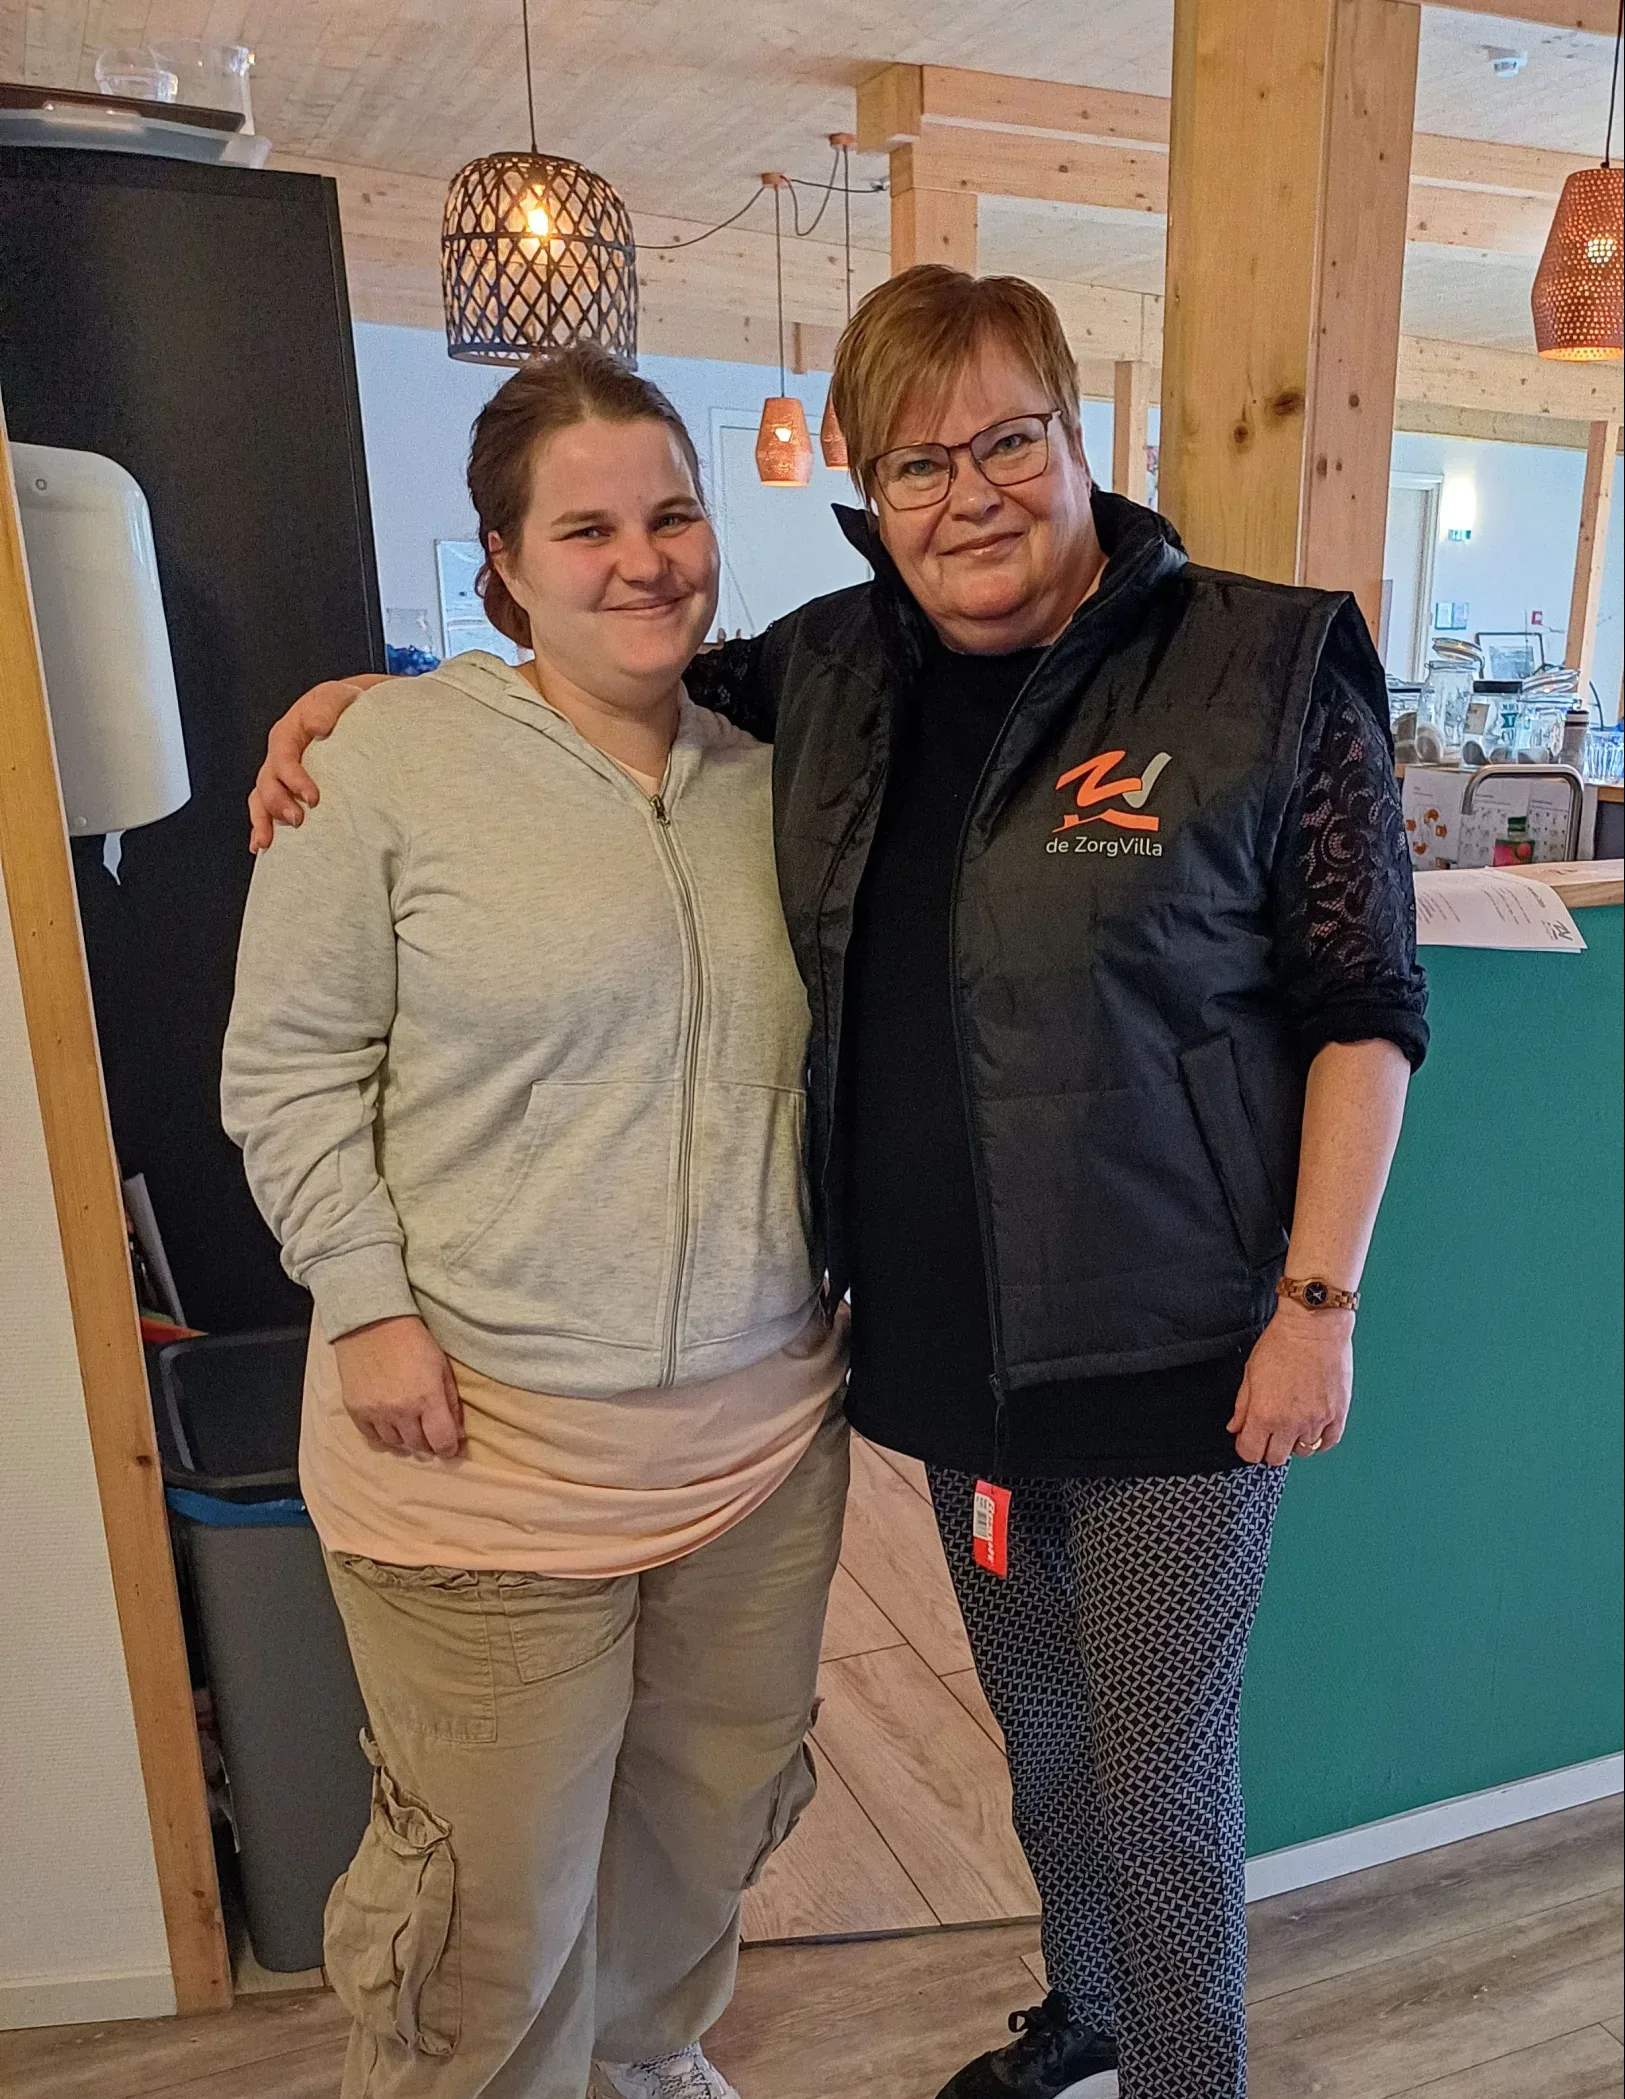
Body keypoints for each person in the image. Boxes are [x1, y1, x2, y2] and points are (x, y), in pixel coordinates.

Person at [252, 268, 1427, 2099]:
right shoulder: (831, 674)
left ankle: (1189, 2075)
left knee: (1159, 1775)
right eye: (916, 466)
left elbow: (1367, 1007)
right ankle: (1091, 2008)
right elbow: (595, 689)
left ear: (1077, 436)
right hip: (946, 1359)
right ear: (872, 496)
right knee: (1044, 1740)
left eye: (1007, 442)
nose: (970, 496)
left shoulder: (1258, 667)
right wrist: (367, 709)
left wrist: (1318, 1304)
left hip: (1177, 1361)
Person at [222, 345, 850, 2099]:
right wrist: (365, 1302)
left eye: (672, 515)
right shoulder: (387, 765)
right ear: (503, 562)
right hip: (482, 1449)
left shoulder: (780, 774)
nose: (643, 560)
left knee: (700, 1829)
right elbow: (286, 1066)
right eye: (586, 529)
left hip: (756, 1452)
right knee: (488, 1908)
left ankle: (641, 2059)